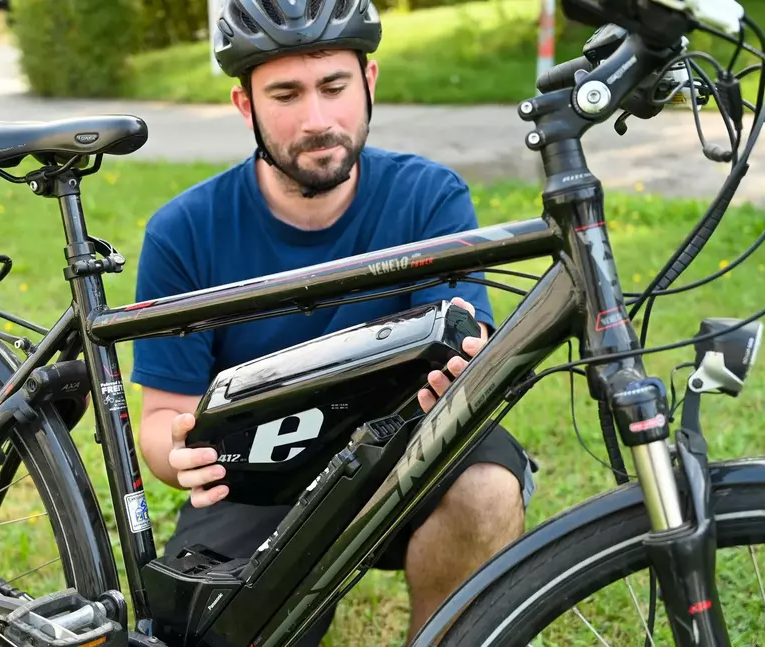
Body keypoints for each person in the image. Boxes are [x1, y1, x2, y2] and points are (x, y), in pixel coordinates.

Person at [131, 0, 537, 643]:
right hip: (255, 485)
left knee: (485, 485)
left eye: (334, 86)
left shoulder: (429, 198)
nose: (317, 120)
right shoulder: (184, 232)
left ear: (368, 83)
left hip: (400, 460)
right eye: (286, 94)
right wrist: (178, 454)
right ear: (246, 107)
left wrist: (464, 374)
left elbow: (470, 348)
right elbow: (161, 419)